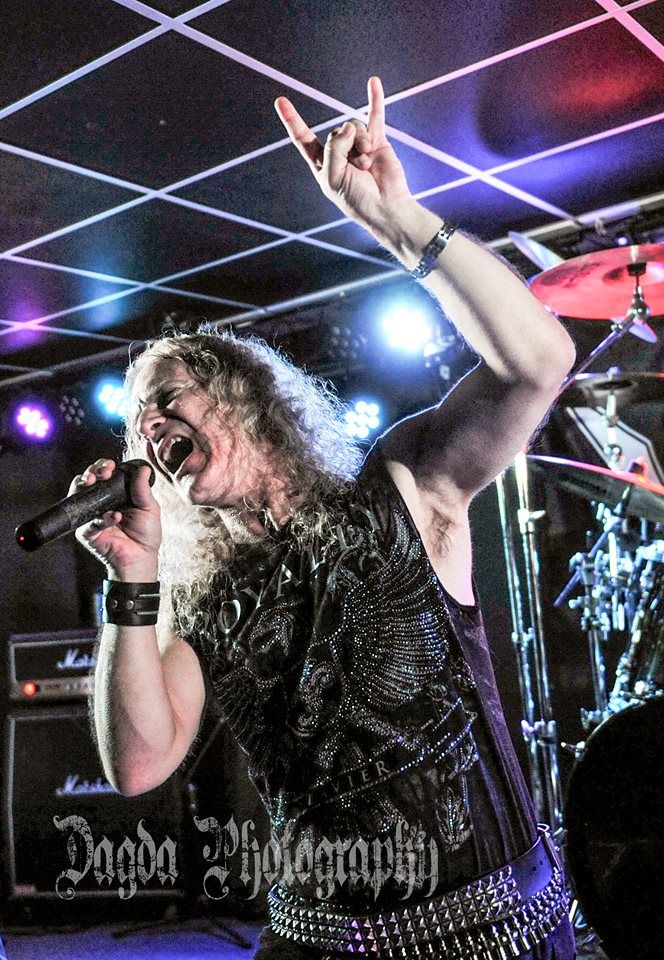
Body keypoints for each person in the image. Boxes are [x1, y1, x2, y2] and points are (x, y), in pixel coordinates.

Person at [72, 77, 577, 958]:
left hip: (491, 933)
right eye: (136, 422)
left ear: (243, 394)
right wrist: (132, 580)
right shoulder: (204, 605)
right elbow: (140, 764)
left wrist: (398, 221)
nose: (147, 426)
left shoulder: (402, 486)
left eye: (165, 397)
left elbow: (540, 362)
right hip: (318, 942)